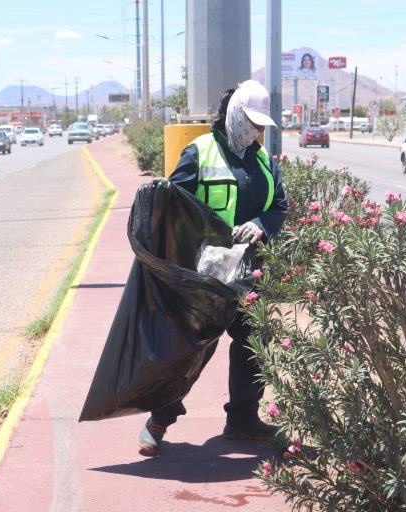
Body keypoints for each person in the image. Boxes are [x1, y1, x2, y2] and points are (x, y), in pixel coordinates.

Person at [138, 79, 289, 456]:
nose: (255, 131)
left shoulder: (263, 161)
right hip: (206, 276)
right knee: (193, 348)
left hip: (247, 274)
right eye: (251, 122)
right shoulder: (200, 152)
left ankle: (242, 419)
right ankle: (159, 420)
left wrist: (260, 225)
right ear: (234, 114)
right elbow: (173, 205)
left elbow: (279, 206)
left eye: (260, 125)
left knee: (251, 344)